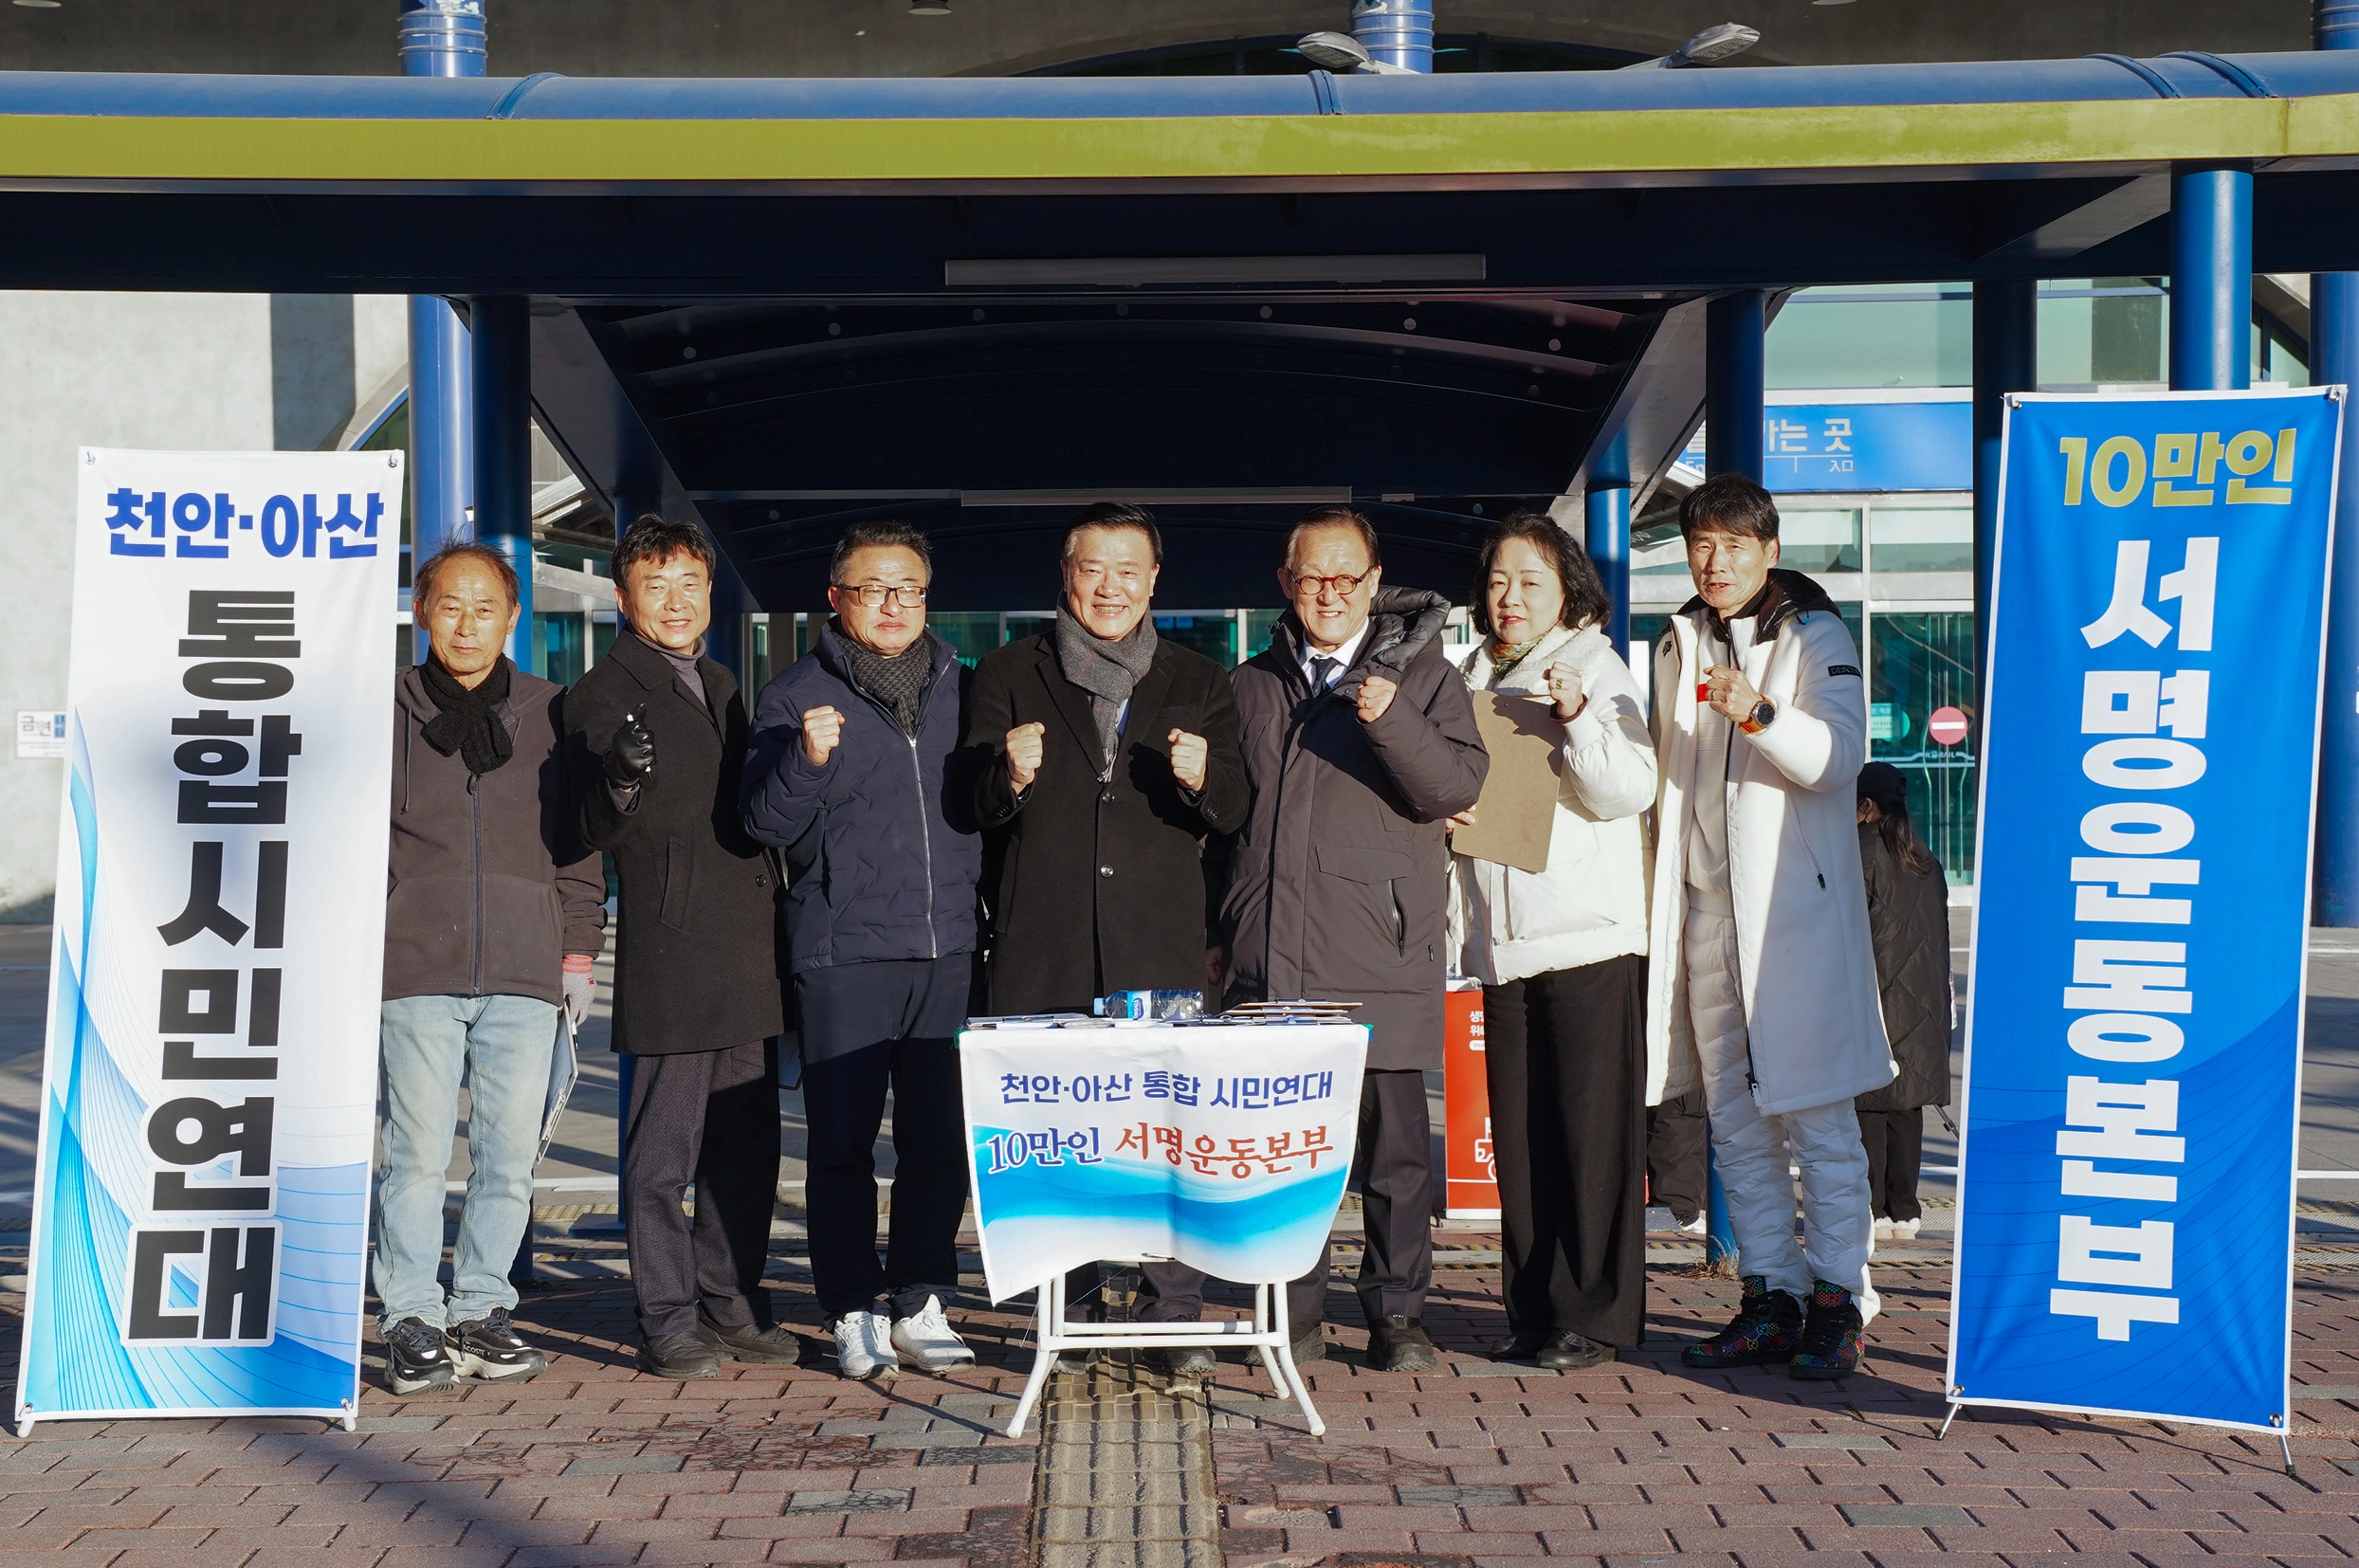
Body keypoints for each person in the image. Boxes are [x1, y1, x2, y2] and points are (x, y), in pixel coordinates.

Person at [963, 502, 1250, 1376]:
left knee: (1168, 1131)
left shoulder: (1200, 676)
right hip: (1043, 940)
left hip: (1157, 942)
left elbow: (1236, 808)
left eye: (1130, 570)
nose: (1111, 586)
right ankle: (1074, 1306)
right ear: (1067, 573)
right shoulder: (1009, 670)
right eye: (1094, 568)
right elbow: (968, 806)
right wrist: (1006, 774)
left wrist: (1207, 782)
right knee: (1061, 1133)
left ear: (1155, 579)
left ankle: (1175, 1312)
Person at [1218, 505, 1489, 1372]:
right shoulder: (1249, 683)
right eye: (1310, 578)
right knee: (1285, 1157)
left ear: (1375, 583)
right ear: (1285, 586)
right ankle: (1290, 1311)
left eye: (1346, 577)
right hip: (1271, 956)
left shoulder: (1427, 677)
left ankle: (1398, 1315)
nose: (1328, 593)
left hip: (1381, 950)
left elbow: (1453, 787)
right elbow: (1225, 821)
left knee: (1398, 1158)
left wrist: (1391, 716)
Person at [1647, 473, 1895, 1381]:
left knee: (1818, 1121)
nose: (1715, 563)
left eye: (1734, 546)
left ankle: (1841, 1299)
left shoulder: (1814, 633)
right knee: (1736, 1125)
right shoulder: (1677, 638)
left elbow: (1837, 759)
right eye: (1701, 545)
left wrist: (1755, 709)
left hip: (1792, 920)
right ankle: (1771, 1293)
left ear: (1770, 550)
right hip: (1706, 913)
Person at [742, 520, 982, 1381]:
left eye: (909, 589)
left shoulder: (967, 686)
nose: (893, 604)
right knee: (841, 1144)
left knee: (938, 1140)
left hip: (947, 948)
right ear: (835, 598)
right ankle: (850, 1308)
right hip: (842, 949)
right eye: (874, 589)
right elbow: (761, 823)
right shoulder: (794, 694)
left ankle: (920, 1297)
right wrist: (806, 758)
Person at [377, 542, 606, 1395]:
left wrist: (577, 949)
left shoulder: (552, 712)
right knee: (417, 1155)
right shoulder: (385, 711)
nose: (467, 624)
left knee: (508, 1159)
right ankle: (410, 1317)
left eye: (485, 609)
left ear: (514, 620)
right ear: (422, 614)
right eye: (449, 606)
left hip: (524, 967)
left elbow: (577, 845)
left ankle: (480, 1307)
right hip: (415, 967)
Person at [568, 516, 794, 1378]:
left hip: (748, 949)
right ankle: (666, 1317)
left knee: (745, 1147)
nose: (675, 601)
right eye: (656, 586)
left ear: (709, 594)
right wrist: (619, 774)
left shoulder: (726, 683)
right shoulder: (599, 693)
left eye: (689, 584)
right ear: (624, 599)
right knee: (662, 1155)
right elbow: (585, 820)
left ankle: (731, 1304)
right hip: (671, 946)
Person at [1446, 512, 1655, 1371]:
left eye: (1530, 582)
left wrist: (1576, 719)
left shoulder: (1596, 666)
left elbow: (1626, 789)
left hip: (1587, 937)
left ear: (1567, 588)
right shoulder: (1468, 672)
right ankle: (1534, 1306)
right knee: (1525, 1135)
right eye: (1499, 581)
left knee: (1591, 1134)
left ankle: (1595, 1315)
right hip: (1505, 940)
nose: (1510, 598)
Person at [1853, 760, 1953, 1243]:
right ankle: (1906, 1211)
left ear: (1866, 806)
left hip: (1877, 992)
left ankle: (1871, 1209)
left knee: (1869, 1101)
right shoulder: (1924, 856)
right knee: (1907, 1104)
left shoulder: (1859, 852)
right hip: (1924, 996)